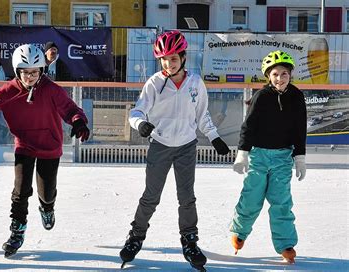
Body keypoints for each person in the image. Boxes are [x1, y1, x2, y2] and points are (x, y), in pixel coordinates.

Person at [0, 44, 90, 258]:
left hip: (49, 146)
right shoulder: (10, 89)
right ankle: (17, 230)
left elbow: (70, 109)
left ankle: (47, 208)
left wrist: (78, 122)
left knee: (46, 193)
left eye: (34, 72)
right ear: (17, 71)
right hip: (24, 144)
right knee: (20, 191)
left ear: (41, 70)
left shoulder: (51, 90)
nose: (30, 77)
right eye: (25, 72)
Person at [119, 30, 230, 270]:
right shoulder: (155, 83)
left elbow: (202, 115)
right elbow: (137, 112)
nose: (169, 64)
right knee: (151, 197)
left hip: (187, 147)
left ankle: (190, 241)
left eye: (174, 59)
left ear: (183, 58)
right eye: (164, 60)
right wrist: (141, 124)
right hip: (160, 146)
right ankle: (136, 237)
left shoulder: (195, 83)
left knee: (187, 198)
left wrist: (214, 137)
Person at [230, 50, 307, 264]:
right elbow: (249, 126)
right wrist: (242, 154)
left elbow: (300, 129)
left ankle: (285, 244)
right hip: (259, 155)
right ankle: (240, 232)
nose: (280, 78)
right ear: (268, 76)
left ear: (290, 75)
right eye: (275, 74)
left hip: (283, 157)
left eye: (284, 73)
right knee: (252, 198)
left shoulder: (296, 96)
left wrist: (299, 158)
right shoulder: (262, 96)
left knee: (281, 202)